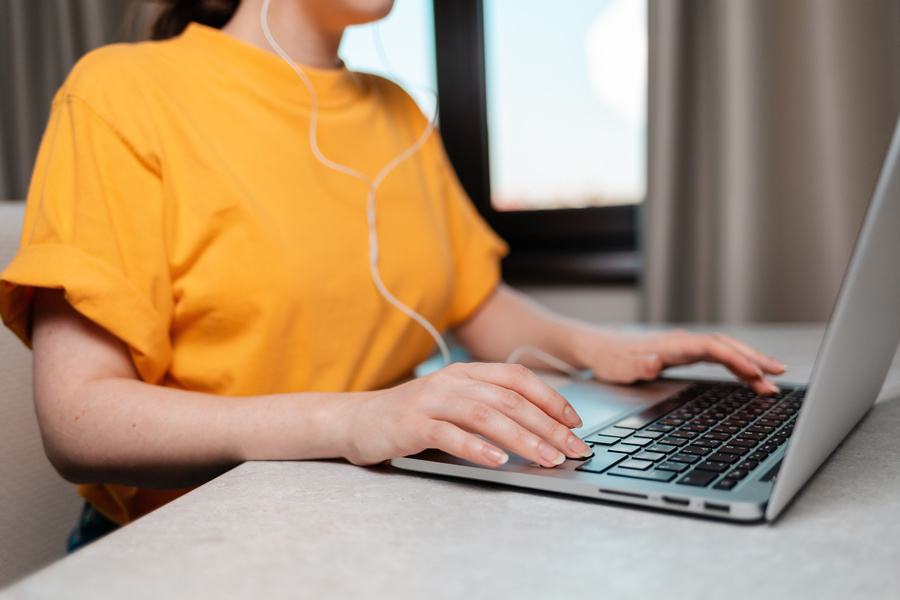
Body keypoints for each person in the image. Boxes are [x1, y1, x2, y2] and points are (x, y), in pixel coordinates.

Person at [0, 0, 785, 547]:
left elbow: (475, 302)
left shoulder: (399, 114)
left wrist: (602, 347)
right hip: (192, 541)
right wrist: (350, 420)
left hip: (378, 516)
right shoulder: (122, 92)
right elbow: (79, 420)